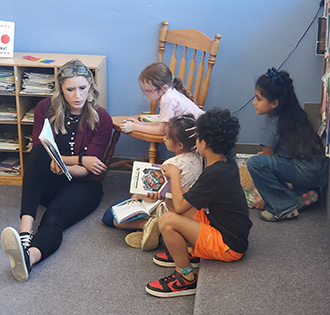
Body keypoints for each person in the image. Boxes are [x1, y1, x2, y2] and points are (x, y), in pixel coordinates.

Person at [1, 60, 113, 282]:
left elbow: (90, 169)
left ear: (90, 86)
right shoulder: (45, 108)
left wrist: (68, 166)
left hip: (84, 185)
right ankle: (25, 232)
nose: (77, 95)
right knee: (38, 152)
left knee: (54, 219)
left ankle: (29, 258)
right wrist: (78, 159)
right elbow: (40, 149)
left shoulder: (102, 119)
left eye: (82, 88)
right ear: (61, 88)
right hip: (52, 176)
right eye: (70, 89)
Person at [145, 108, 252, 298]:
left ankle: (185, 278)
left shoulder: (214, 173)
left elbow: (179, 207)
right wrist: (164, 192)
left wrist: (175, 176)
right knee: (172, 202)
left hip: (229, 245)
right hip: (225, 228)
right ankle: (186, 252)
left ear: (203, 143)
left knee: (168, 220)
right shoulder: (224, 163)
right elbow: (189, 197)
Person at [102, 114, 203, 251]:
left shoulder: (170, 165)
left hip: (165, 209)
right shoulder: (199, 158)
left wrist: (136, 198)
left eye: (167, 137)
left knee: (111, 218)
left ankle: (147, 225)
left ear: (179, 145)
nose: (164, 139)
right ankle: (154, 232)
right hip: (185, 210)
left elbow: (154, 193)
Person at [247, 67, 329, 222]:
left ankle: (282, 207)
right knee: (269, 161)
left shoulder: (272, 123)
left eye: (258, 98)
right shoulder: (295, 114)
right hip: (319, 171)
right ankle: (304, 194)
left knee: (256, 163)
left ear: (274, 103)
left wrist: (264, 197)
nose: (254, 102)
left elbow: (266, 159)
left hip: (303, 172)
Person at [120, 62, 204, 135]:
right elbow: (162, 124)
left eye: (148, 91)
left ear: (164, 88)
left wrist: (134, 127)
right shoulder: (171, 93)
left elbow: (162, 130)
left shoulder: (168, 99)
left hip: (201, 134)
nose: (145, 95)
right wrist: (140, 124)